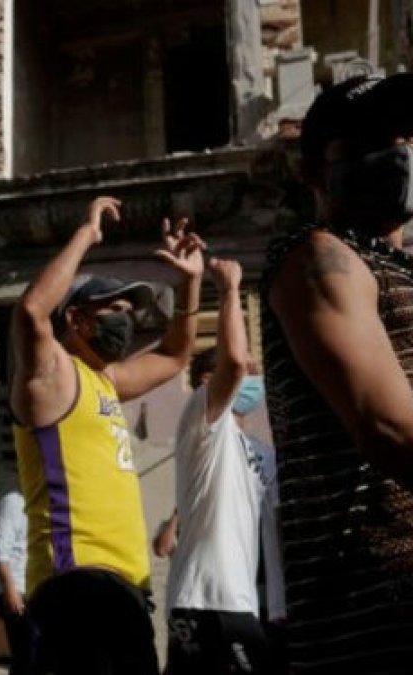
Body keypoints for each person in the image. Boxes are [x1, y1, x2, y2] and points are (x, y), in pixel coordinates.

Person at [10, 195, 205, 674]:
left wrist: (191, 283)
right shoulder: (54, 376)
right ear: (76, 319)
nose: (125, 319)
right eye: (111, 308)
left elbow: (177, 356)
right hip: (76, 585)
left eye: (128, 310)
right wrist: (87, 234)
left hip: (125, 587)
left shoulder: (108, 382)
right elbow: (33, 310)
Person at [262, 72, 413, 672]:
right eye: (373, 137)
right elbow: (388, 426)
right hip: (375, 625)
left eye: (406, 134)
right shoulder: (317, 256)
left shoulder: (396, 267)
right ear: (312, 170)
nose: (398, 151)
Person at [165, 258, 284, 675]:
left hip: (245, 604)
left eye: (256, 371)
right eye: (246, 371)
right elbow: (232, 362)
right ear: (205, 383)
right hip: (206, 599)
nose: (252, 376)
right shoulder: (202, 423)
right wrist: (230, 288)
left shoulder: (258, 451)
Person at [0, 489, 31, 675]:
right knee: (27, 657)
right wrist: (10, 589)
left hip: (33, 589)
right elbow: (0, 551)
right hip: (17, 589)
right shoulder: (13, 503)